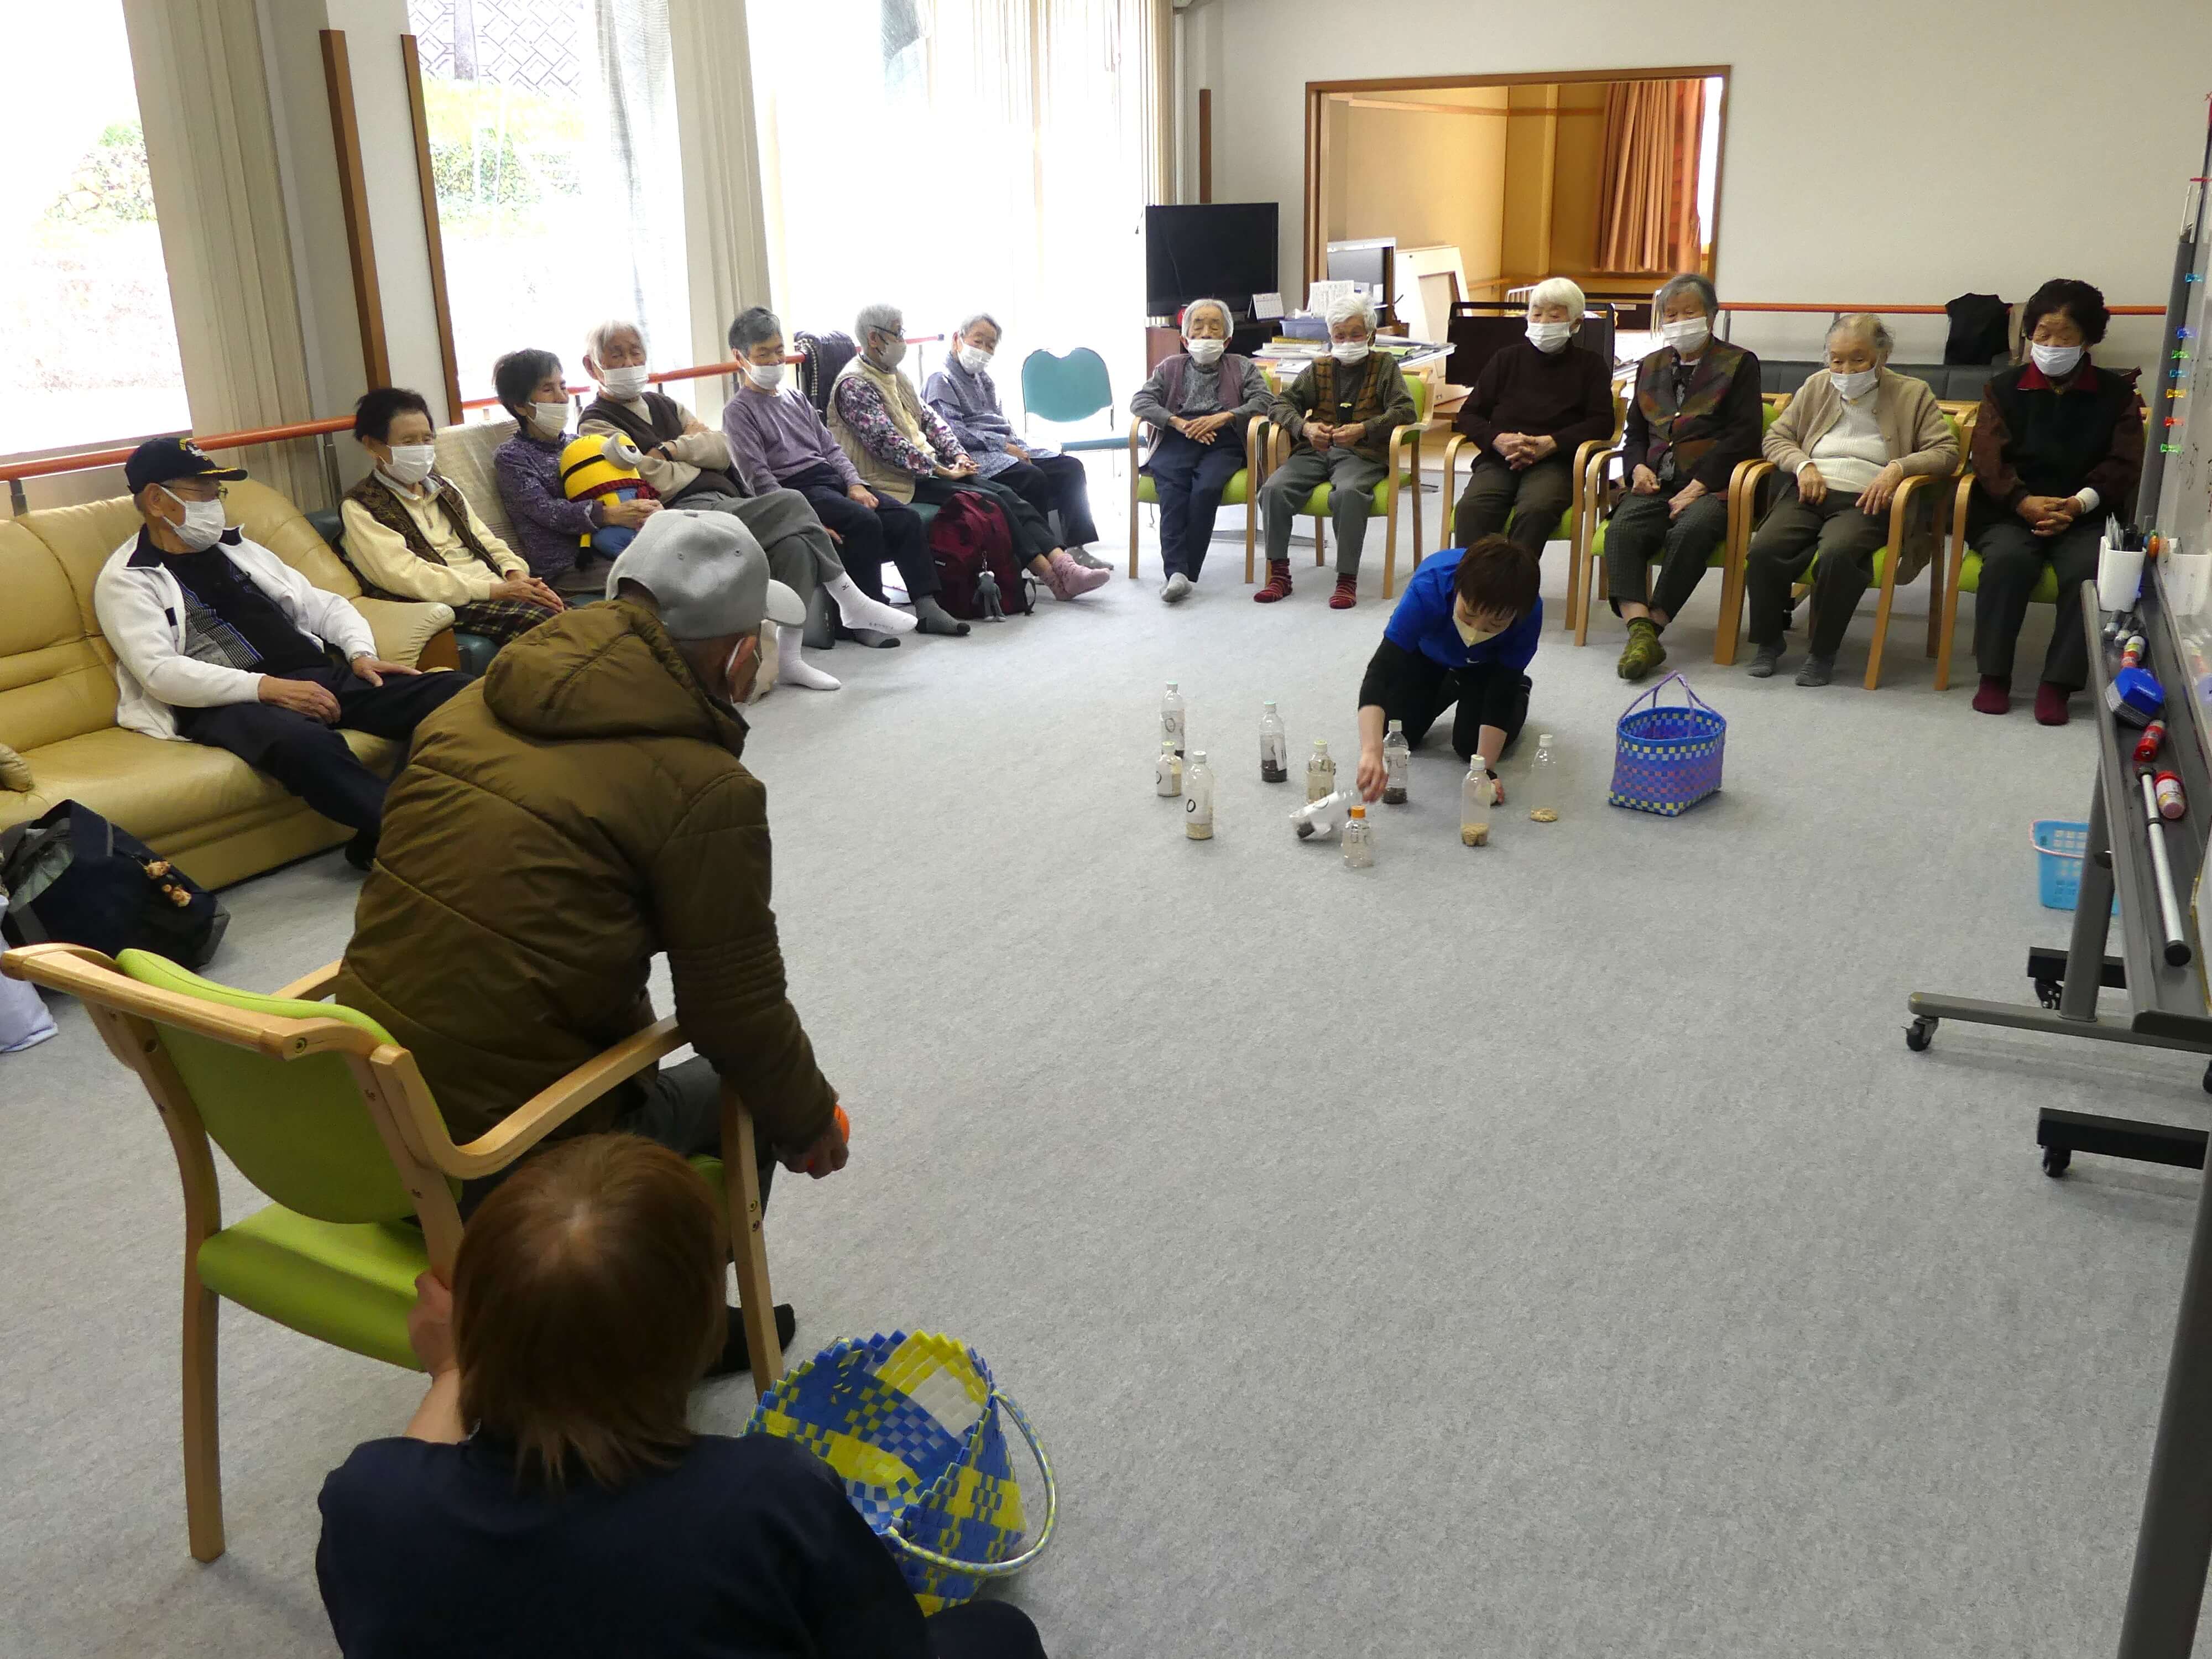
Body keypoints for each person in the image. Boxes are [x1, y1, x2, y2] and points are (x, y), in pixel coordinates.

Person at [335, 512, 850, 1366]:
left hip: (363, 1118)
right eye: (756, 637)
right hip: (510, 1157)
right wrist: (809, 1124)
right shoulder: (704, 788)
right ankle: (661, 1337)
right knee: (756, 1093)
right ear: (733, 654)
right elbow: (736, 1012)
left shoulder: (468, 705)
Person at [316, 1135, 1048, 1659]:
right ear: (704, 1338)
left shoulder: (365, 1506)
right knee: (1001, 1636)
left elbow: (409, 1474)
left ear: (475, 1333)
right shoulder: (767, 1497)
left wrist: (451, 1373)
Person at [93, 437, 469, 869]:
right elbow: (159, 672)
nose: (216, 503)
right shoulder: (128, 579)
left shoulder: (238, 549)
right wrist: (269, 688)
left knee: (455, 693)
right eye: (203, 491)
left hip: (317, 674)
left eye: (219, 493)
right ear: (157, 500)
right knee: (305, 744)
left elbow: (324, 604)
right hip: (230, 702)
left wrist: (360, 653)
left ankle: (381, 834)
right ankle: (427, 843)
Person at [579, 319, 913, 690]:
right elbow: (652, 475)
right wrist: (694, 451)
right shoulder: (595, 425)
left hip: (726, 501)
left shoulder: (665, 404)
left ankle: (789, 659)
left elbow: (722, 449)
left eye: (635, 352)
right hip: (680, 517)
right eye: (616, 355)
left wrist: (675, 449)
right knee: (790, 502)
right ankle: (850, 599)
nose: (629, 362)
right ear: (592, 366)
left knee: (797, 544)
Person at [829, 301, 1108, 604]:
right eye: (898, 334)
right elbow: (888, 445)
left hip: (926, 470)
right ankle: (1054, 577)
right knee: (994, 500)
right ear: (874, 339)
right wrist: (942, 469)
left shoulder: (895, 375)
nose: (902, 341)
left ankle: (1064, 567)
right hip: (895, 480)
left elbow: (932, 422)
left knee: (1005, 494)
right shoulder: (855, 384)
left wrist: (958, 455)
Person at [721, 306, 965, 642]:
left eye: (779, 351)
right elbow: (759, 479)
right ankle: (864, 619)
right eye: (763, 354)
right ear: (740, 357)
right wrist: (801, 519)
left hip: (831, 482)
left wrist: (855, 483)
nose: (775, 361)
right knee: (864, 523)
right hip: (795, 492)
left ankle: (927, 607)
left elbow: (832, 448)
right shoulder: (738, 412)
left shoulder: (795, 399)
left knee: (903, 519)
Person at [1965, 277, 2146, 724]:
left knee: (2088, 573)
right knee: (2008, 561)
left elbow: (2124, 463)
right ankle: (1994, 676)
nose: (2049, 345)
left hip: (2085, 513)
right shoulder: (2003, 389)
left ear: (2087, 339)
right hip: (2010, 510)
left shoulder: (2117, 394)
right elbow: (1987, 459)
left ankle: (2058, 684)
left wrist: (2078, 504)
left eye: (2062, 336)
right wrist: (2023, 502)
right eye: (2041, 335)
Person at [1743, 315, 1959, 686]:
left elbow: (1946, 451)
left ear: (1883, 354)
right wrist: (1803, 464)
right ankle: (1769, 641)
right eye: (1836, 359)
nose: (1845, 369)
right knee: (1764, 549)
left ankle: (1823, 651)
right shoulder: (1816, 385)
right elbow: (1777, 438)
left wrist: (1898, 469)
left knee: (1838, 554)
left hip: (1868, 497)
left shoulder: (1913, 392)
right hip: (1811, 487)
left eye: (1858, 359)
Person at [1604, 273, 1763, 681]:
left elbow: (1743, 435)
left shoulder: (1739, 363)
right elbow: (1635, 432)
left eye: (1689, 312)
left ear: (1710, 315)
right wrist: (1636, 466)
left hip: (1717, 484)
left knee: (1692, 529)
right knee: (1622, 529)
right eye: (1670, 314)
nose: (1679, 321)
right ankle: (1640, 631)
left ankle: (1654, 623)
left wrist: (1700, 485)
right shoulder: (1650, 365)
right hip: (1655, 481)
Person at [341, 387, 564, 652]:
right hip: (454, 602)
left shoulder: (443, 487)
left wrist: (515, 574)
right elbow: (409, 577)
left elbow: (485, 539)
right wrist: (494, 591)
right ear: (372, 445)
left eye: (426, 439)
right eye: (408, 442)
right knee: (549, 626)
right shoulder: (361, 507)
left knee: (586, 619)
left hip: (497, 587)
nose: (421, 449)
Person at [1256, 291, 1417, 611]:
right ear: (1330, 337)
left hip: (1363, 454)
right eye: (1339, 335)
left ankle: (1346, 579)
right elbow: (1281, 404)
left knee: (1348, 494)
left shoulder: (1385, 366)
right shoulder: (1319, 369)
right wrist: (1305, 428)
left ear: (1370, 335)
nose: (1347, 341)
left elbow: (1405, 410)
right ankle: (1279, 574)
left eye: (1355, 334)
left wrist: (1364, 429)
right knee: (1273, 489)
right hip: (1315, 450)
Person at [1352, 536, 1543, 803]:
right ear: (1458, 588)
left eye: (1493, 626)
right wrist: (1371, 752)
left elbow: (1501, 692)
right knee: (1396, 732)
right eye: (1469, 613)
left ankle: (1522, 689)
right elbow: (1381, 672)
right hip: (1428, 655)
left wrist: (1484, 771)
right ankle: (1452, 681)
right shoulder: (1429, 587)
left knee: (1469, 749)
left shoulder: (1529, 613)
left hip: (1487, 668)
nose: (1476, 629)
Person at [924, 311, 1105, 568]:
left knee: (1070, 467)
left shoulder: (983, 379)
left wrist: (1017, 447)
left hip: (1006, 449)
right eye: (978, 341)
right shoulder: (940, 379)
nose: (984, 350)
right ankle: (1042, 557)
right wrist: (1004, 447)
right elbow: (953, 432)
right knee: (1032, 478)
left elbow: (1002, 422)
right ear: (957, 339)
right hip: (972, 455)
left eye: (990, 345)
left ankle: (1077, 547)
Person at [1450, 276, 1615, 558]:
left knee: (1536, 509)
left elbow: (1602, 422)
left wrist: (1551, 443)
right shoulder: (1506, 359)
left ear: (1574, 325)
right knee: (1473, 508)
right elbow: (1469, 414)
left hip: (1557, 462)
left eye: (1554, 316)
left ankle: (1515, 591)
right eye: (1536, 314)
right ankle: (1472, 592)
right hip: (1500, 458)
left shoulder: (1591, 366)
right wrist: (1497, 440)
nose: (1542, 323)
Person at [1128, 297, 1271, 604]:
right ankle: (1176, 573)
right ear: (1185, 337)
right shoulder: (1169, 367)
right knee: (1172, 492)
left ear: (1227, 339)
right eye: (1198, 326)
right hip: (1178, 436)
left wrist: (1225, 416)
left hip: (1224, 439)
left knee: (1206, 489)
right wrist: (1177, 423)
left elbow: (1266, 401)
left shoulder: (1241, 366)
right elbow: (1140, 402)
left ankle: (1185, 571)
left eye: (1214, 327)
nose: (1206, 333)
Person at [492, 348, 660, 599]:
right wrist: (609, 515)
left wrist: (647, 506)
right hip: (568, 565)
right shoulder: (512, 457)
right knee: (657, 578)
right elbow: (546, 511)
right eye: (548, 390)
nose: (561, 398)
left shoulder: (579, 443)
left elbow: (618, 484)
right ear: (520, 406)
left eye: (563, 386)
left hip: (615, 545)